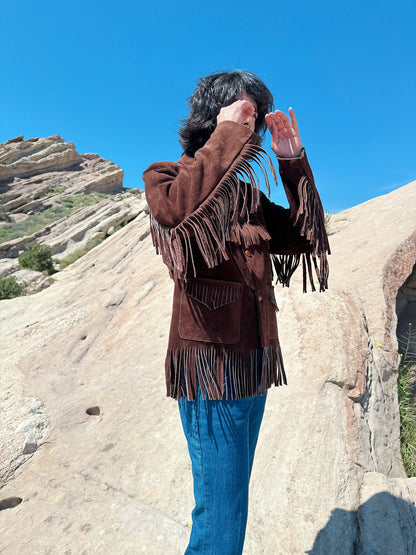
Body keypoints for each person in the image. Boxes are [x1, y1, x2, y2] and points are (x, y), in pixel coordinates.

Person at [143, 70, 330, 554]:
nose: (252, 128)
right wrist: (227, 132)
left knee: (232, 505)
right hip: (211, 374)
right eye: (244, 113)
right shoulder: (165, 177)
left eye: (255, 120)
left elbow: (307, 236)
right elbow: (177, 214)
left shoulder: (248, 198)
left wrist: (292, 164)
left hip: (254, 369)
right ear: (214, 114)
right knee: (220, 517)